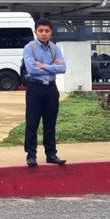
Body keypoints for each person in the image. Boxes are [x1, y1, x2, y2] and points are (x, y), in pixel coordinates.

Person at [22, 19, 67, 167]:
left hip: (51, 89)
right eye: (41, 31)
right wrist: (52, 66)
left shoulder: (55, 49)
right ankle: (31, 155)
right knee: (32, 122)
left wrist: (43, 66)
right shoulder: (30, 48)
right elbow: (31, 69)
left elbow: (63, 68)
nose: (44, 34)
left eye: (47, 31)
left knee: (50, 123)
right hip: (35, 88)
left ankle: (51, 154)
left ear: (51, 32)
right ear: (36, 32)